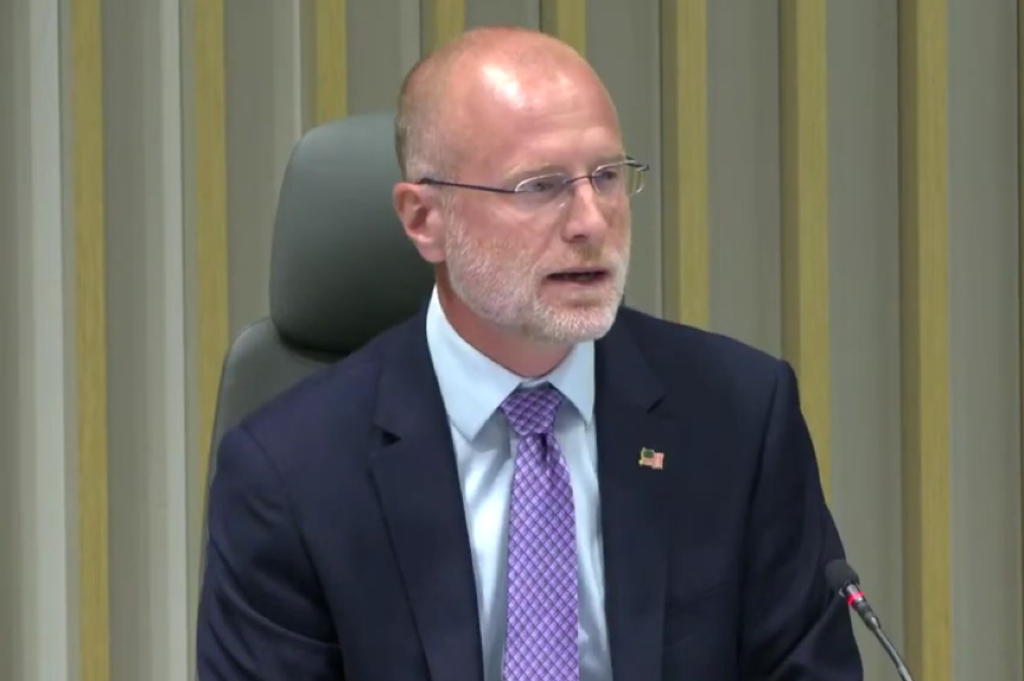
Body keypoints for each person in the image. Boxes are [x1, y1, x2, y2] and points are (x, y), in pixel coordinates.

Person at [196, 25, 863, 681]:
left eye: (607, 176)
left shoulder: (739, 419)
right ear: (425, 220)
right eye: (539, 186)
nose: (591, 221)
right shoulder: (289, 475)